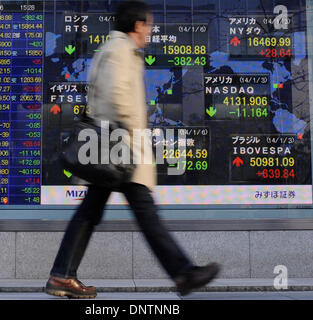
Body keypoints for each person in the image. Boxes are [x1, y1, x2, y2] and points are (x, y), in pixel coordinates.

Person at [45, 0, 220, 299]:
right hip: (120, 150)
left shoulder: (113, 49)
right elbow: (117, 96)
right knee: (144, 213)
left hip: (108, 150)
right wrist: (130, 135)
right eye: (149, 25)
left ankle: (62, 275)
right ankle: (183, 273)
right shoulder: (120, 51)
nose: (150, 32)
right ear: (137, 25)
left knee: (91, 212)